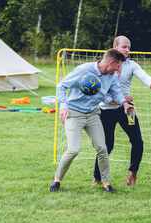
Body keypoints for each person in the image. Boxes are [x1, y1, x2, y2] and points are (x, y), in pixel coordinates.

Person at [50, 49, 133, 193]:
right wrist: (63, 105)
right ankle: (57, 180)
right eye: (118, 66)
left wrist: (125, 104)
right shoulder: (84, 70)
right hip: (74, 113)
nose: (119, 70)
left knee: (102, 148)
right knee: (73, 149)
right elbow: (61, 86)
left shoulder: (112, 76)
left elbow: (116, 93)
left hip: (93, 114)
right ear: (112, 62)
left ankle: (106, 183)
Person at [93, 35, 151, 187]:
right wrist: (118, 99)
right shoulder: (104, 65)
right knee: (107, 145)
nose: (128, 50)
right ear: (115, 47)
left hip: (127, 109)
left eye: (129, 47)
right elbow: (100, 91)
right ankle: (97, 178)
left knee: (138, 141)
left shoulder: (131, 65)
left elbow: (145, 77)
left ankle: (133, 173)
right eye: (124, 47)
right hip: (106, 110)